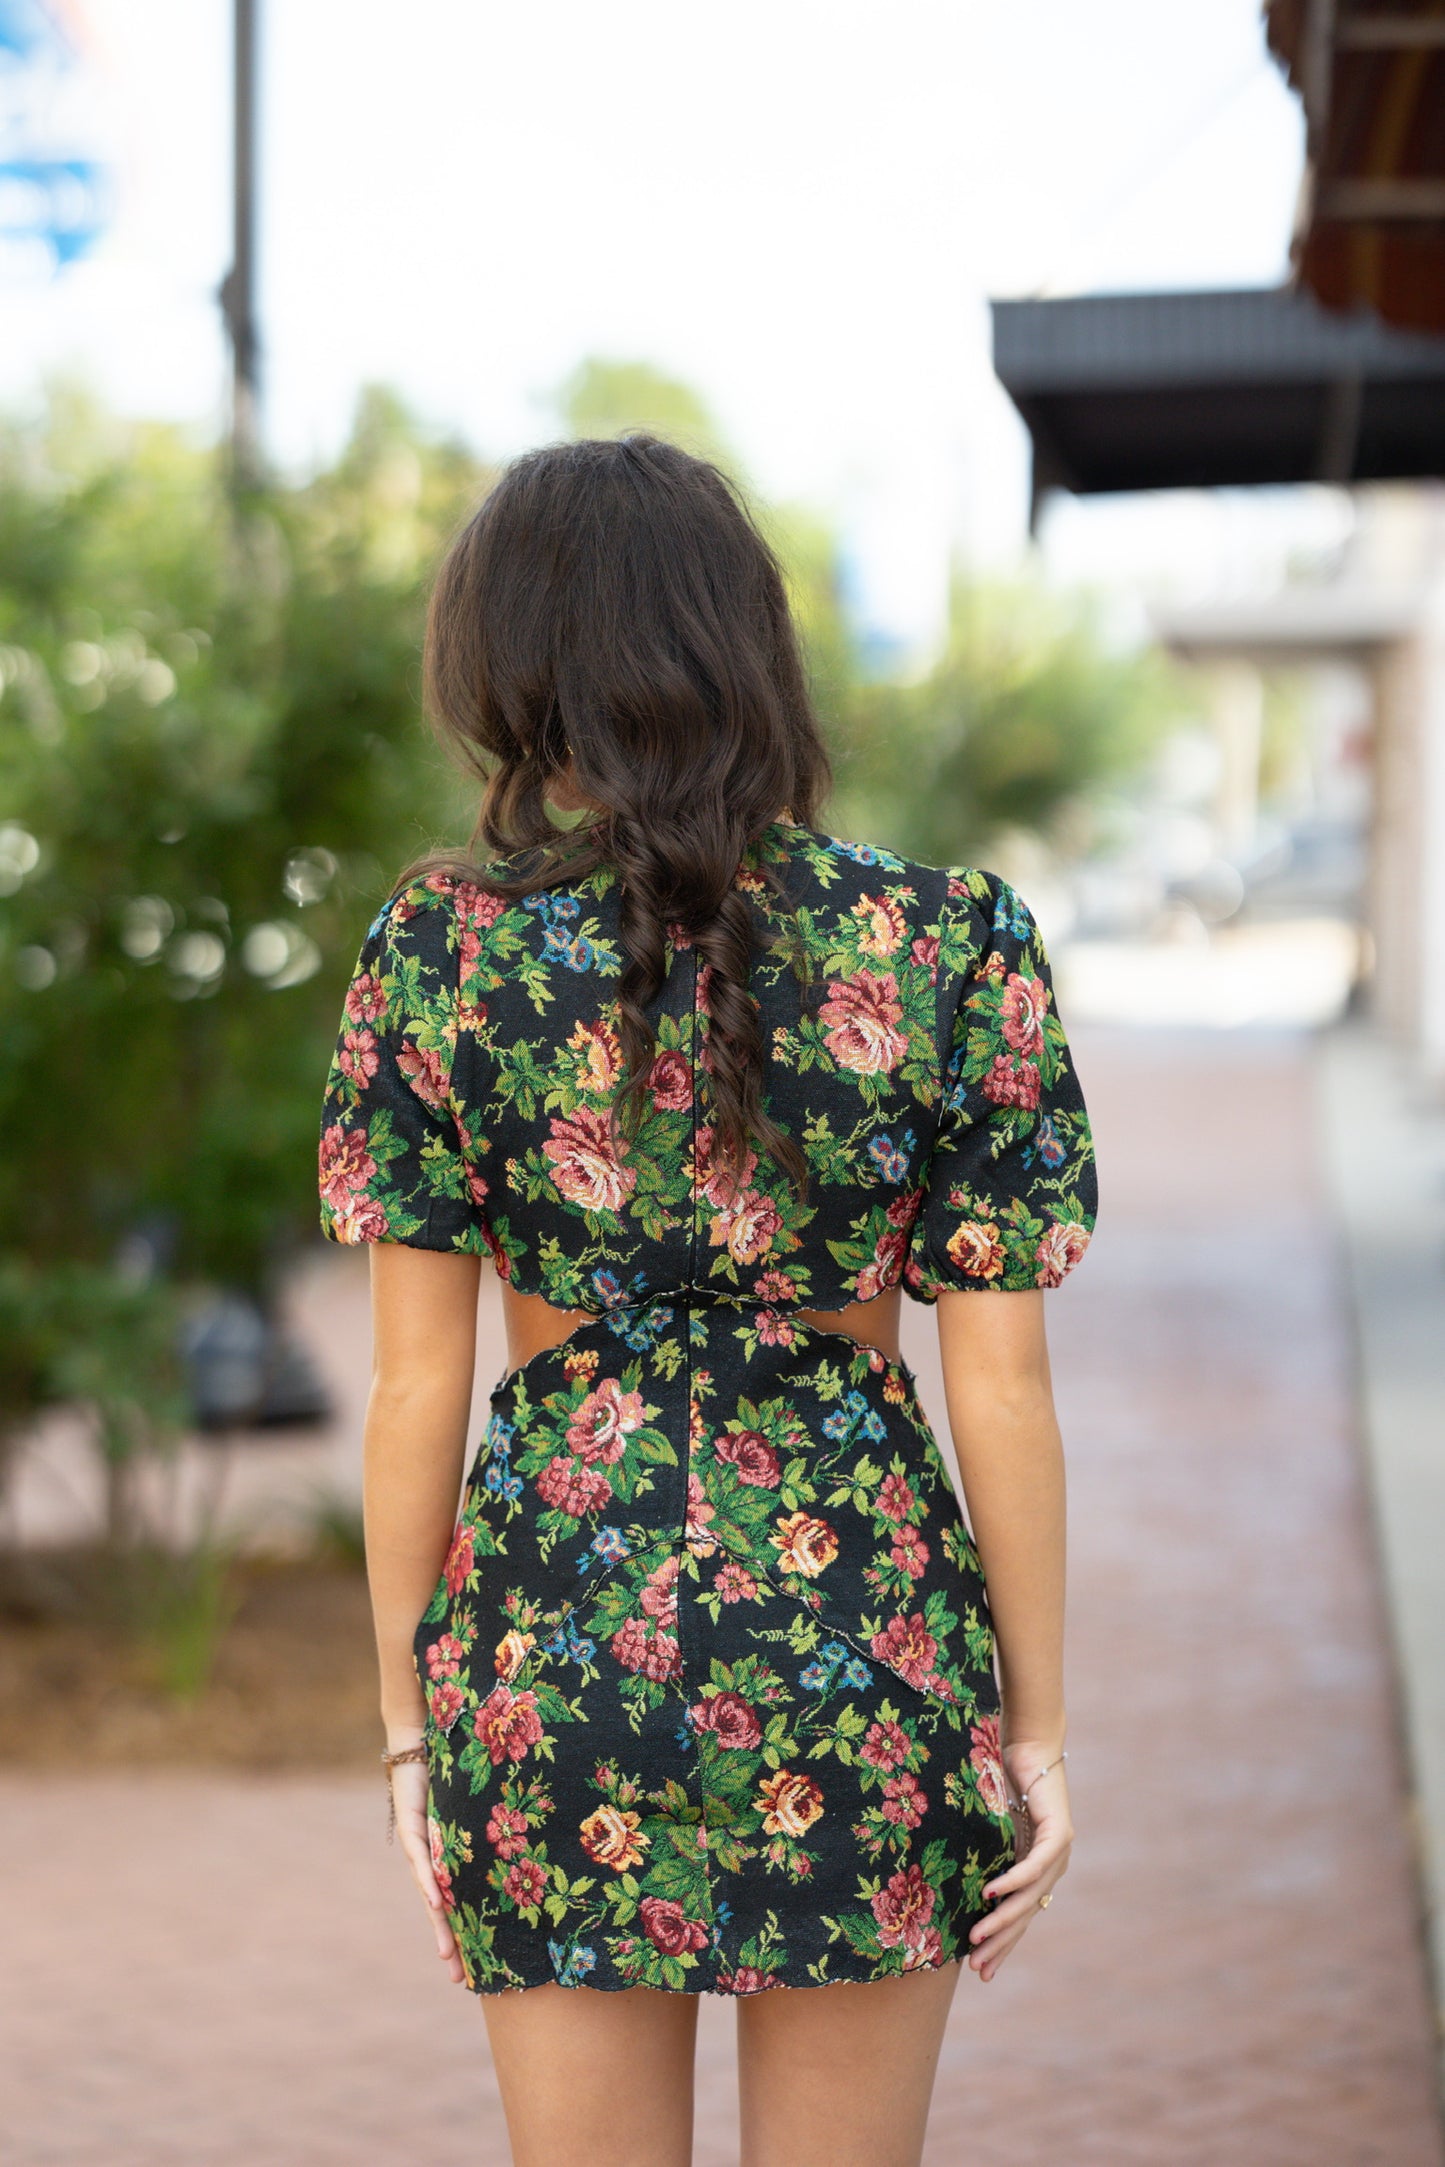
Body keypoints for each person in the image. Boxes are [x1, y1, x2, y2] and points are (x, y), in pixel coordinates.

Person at [317, 433, 1097, 2167]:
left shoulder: (442, 950)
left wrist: (402, 1727)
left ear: (505, 661)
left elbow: (410, 1393)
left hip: (552, 1654)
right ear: (749, 648)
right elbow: (1006, 1395)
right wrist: (1032, 1731)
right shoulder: (950, 939)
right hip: (862, 1643)